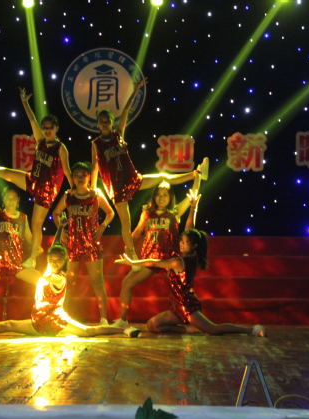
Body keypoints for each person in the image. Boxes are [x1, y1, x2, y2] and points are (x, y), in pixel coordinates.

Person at [90, 76, 209, 264]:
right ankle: (131, 253)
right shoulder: (96, 144)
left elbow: (126, 111)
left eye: (107, 121)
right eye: (102, 121)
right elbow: (95, 166)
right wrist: (92, 189)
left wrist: (136, 89)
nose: (104, 124)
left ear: (112, 122)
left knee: (163, 176)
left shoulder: (118, 134)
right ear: (98, 124)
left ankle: (196, 173)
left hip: (131, 178)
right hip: (116, 186)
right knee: (126, 221)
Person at [0, 88, 72, 268]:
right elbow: (32, 120)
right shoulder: (41, 141)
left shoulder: (61, 148)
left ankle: (34, 255)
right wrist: (25, 103)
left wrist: (73, 191)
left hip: (47, 190)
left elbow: (67, 170)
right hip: (33, 179)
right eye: (45, 128)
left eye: (50, 128)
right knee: (5, 172)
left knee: (36, 224)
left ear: (56, 128)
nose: (47, 131)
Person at [115, 200, 266, 337]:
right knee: (152, 325)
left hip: (187, 307)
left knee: (213, 329)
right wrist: (193, 208)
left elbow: (154, 263)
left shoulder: (178, 261)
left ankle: (251, 330)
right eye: (181, 241)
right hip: (176, 307)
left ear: (193, 246)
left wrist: (133, 261)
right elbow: (189, 230)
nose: (181, 244)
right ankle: (187, 329)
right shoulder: (190, 255)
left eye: (185, 242)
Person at [0, 227, 140, 338]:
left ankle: (124, 329)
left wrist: (35, 274)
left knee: (88, 331)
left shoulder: (59, 277)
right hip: (38, 322)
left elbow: (50, 278)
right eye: (51, 260)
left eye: (58, 260)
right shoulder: (49, 269)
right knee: (7, 325)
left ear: (63, 262)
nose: (54, 263)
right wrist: (60, 227)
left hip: (56, 322)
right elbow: (55, 244)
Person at [112, 182, 197, 328]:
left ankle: (184, 315)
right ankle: (123, 320)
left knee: (180, 290)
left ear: (170, 197)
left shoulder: (174, 212)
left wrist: (198, 177)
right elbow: (137, 232)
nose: (161, 198)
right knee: (127, 282)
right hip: (149, 259)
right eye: (158, 194)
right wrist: (128, 245)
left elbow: (192, 197)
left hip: (168, 259)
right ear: (154, 197)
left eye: (165, 195)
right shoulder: (146, 213)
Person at [52, 162, 115, 324]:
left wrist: (102, 227)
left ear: (89, 177)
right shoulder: (68, 196)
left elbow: (110, 213)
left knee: (97, 282)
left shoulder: (95, 195)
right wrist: (62, 230)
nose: (80, 178)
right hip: (73, 245)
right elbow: (56, 213)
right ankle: (62, 318)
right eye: (76, 175)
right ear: (72, 178)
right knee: (68, 283)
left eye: (83, 175)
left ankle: (103, 319)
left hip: (91, 244)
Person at [0, 172, 42, 319]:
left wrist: (36, 249)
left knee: (42, 282)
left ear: (18, 200)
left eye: (13, 197)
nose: (10, 200)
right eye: (7, 197)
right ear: (3, 199)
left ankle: (44, 315)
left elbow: (30, 239)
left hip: (16, 263)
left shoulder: (23, 218)